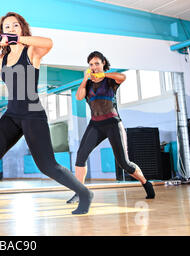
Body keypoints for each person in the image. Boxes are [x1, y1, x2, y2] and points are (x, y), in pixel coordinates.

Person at [0, 12, 94, 222]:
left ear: (22, 29)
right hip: (11, 114)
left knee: (47, 165)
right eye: (6, 27)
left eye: (15, 26)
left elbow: (49, 42)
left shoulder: (32, 51)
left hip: (32, 113)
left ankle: (84, 193)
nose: (10, 29)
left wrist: (15, 39)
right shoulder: (2, 58)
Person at [66, 51, 155, 204]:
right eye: (91, 64)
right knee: (80, 156)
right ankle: (80, 192)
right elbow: (79, 96)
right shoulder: (87, 83)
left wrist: (104, 75)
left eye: (97, 63)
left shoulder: (110, 80)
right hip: (95, 124)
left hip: (113, 123)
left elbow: (123, 77)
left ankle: (145, 183)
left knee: (124, 163)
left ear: (103, 64)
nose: (94, 67)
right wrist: (85, 78)